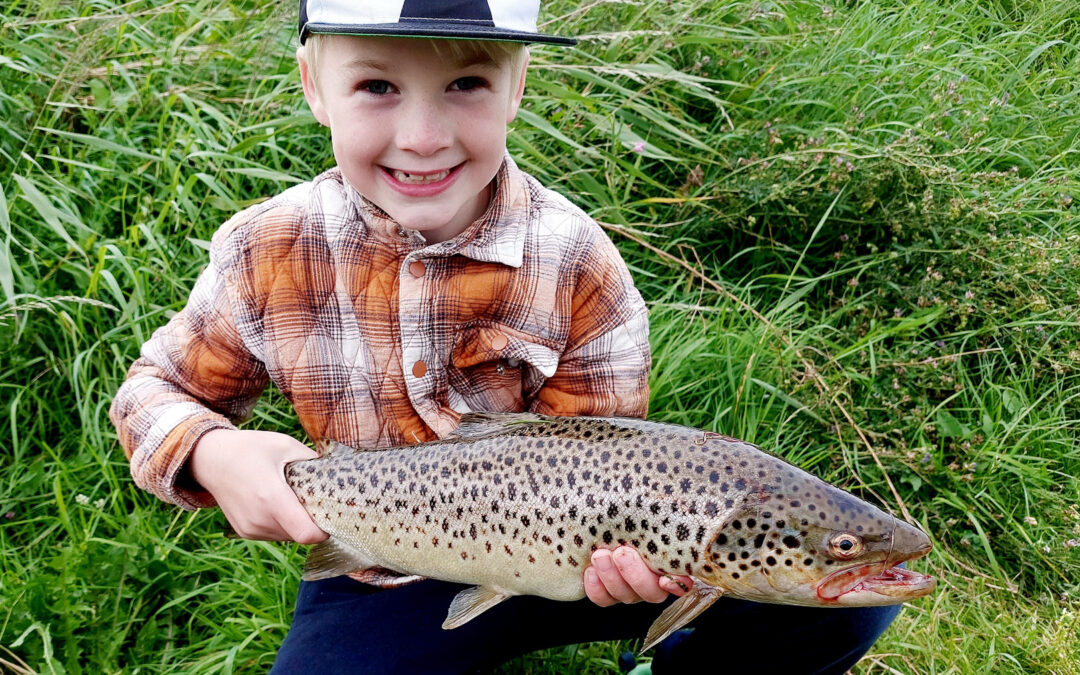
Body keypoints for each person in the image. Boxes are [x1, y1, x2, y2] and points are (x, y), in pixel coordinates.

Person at [109, 1, 900, 672]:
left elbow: (607, 449)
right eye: (377, 86)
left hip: (569, 563)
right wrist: (214, 453)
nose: (422, 136)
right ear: (316, 87)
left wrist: (637, 571)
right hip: (378, 566)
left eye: (466, 84)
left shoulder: (579, 264)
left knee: (841, 613)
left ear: (517, 86)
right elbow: (151, 393)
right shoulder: (265, 250)